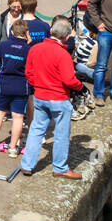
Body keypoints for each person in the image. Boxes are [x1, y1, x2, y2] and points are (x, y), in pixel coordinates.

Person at [20, 19, 86, 179]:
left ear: (51, 31)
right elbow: (69, 80)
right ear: (67, 36)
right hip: (59, 98)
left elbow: (28, 73)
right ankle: (60, 167)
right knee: (62, 133)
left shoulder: (35, 49)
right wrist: (80, 87)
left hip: (40, 96)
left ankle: (27, 164)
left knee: (36, 130)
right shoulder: (63, 54)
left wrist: (38, 85)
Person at [0, 19, 31, 157]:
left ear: (11, 32)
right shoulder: (28, 50)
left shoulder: (2, 46)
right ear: (27, 33)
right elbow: (30, 70)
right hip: (22, 86)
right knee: (18, 117)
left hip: (4, 84)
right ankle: (12, 148)